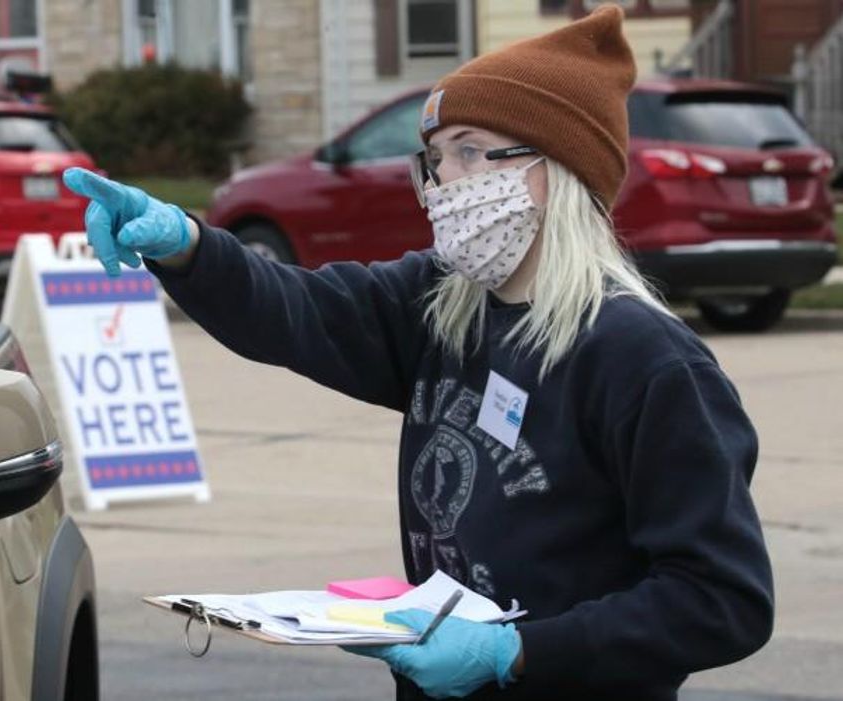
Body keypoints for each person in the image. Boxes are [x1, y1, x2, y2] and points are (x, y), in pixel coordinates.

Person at [62, 5, 774, 699]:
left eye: (468, 151)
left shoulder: (643, 360)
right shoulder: (442, 303)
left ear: (555, 168)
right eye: (433, 159)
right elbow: (295, 312)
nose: (444, 184)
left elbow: (720, 596)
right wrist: (185, 244)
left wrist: (517, 652)